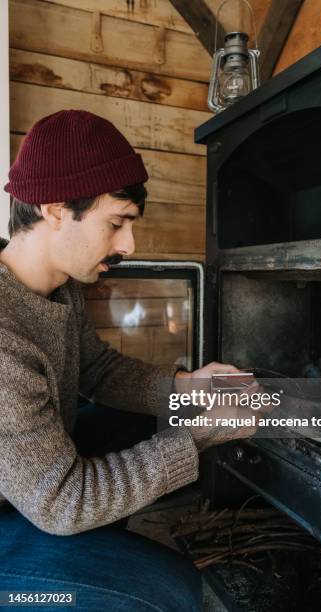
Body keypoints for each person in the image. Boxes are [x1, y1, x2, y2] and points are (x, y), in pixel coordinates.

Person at [0, 110, 257, 611]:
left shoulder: (57, 288)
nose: (128, 245)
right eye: (116, 223)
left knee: (133, 421)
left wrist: (188, 387)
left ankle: (86, 559)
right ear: (55, 209)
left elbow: (96, 370)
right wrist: (201, 433)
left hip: (24, 492)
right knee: (167, 593)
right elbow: (63, 502)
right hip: (31, 506)